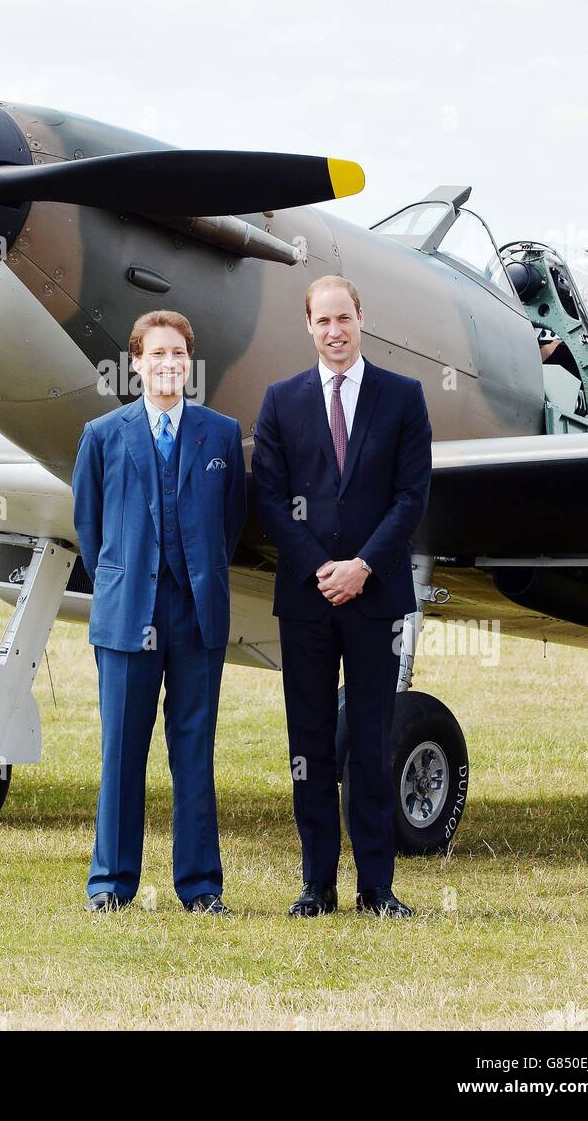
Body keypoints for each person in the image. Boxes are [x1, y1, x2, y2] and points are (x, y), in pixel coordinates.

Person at [252, 275, 432, 918]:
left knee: (371, 740)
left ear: (362, 317)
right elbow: (269, 499)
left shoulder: (403, 398)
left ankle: (377, 888)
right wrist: (321, 568)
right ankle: (316, 885)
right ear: (307, 326)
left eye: (344, 319)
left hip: (375, 597)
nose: (335, 331)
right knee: (309, 744)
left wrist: (361, 567)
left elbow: (412, 497)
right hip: (306, 602)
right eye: (322, 321)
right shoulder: (281, 401)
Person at [72, 310, 246, 914]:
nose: (168, 365)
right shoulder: (102, 435)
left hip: (197, 614)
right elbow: (89, 531)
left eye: (179, 355)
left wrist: (195, 576)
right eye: (157, 354)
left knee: (194, 750)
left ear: (188, 363)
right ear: (137, 362)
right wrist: (125, 584)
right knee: (122, 749)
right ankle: (110, 885)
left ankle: (200, 887)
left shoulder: (220, 435)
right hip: (128, 616)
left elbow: (232, 524)